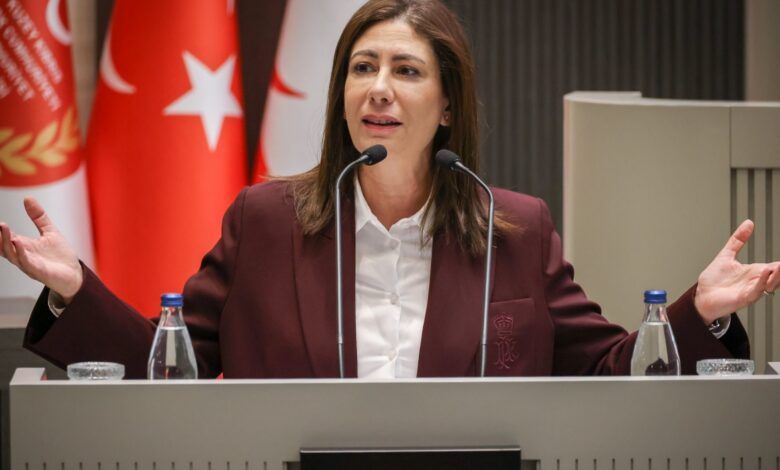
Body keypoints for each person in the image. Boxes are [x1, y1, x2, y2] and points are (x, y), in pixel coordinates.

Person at [0, 0, 776, 379]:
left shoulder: (514, 229)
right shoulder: (265, 223)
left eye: (406, 71)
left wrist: (699, 311)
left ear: (447, 105)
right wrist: (75, 291)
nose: (379, 87)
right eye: (363, 68)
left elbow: (611, 370)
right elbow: (169, 368)